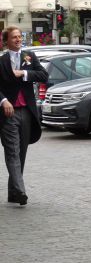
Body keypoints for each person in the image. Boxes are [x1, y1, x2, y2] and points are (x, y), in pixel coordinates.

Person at [0, 26, 49, 205]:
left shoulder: (29, 56)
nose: (18, 39)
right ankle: (21, 192)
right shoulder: (2, 61)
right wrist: (3, 100)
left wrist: (24, 73)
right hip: (9, 113)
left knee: (21, 154)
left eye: (20, 36)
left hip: (27, 111)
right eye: (14, 37)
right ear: (6, 41)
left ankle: (13, 193)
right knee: (12, 152)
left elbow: (44, 75)